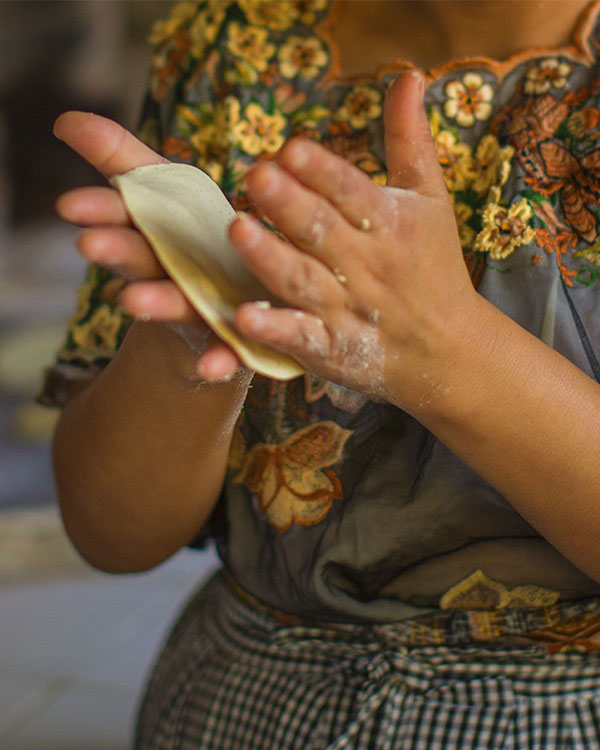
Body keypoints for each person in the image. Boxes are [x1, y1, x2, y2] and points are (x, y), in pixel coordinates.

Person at [41, 0, 600, 747]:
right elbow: (110, 534)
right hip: (240, 704)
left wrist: (451, 352)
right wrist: (185, 346)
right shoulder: (234, 35)